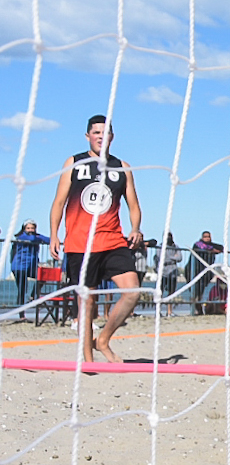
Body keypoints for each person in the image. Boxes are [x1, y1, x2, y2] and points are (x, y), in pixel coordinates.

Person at [49, 115, 143, 363]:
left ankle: (103, 340)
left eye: (105, 132)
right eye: (96, 132)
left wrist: (136, 228)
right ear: (88, 136)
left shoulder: (122, 167)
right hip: (81, 244)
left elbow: (134, 205)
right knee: (86, 302)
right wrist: (54, 235)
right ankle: (88, 359)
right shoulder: (75, 162)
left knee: (132, 291)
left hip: (112, 240)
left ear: (112, 136)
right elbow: (59, 202)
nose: (101, 136)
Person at [10, 219, 50, 319]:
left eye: (32, 228)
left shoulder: (36, 236)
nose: (30, 230)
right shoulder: (21, 237)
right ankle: (21, 315)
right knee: (22, 289)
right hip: (19, 266)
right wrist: (38, 237)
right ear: (24, 229)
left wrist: (40, 237)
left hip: (31, 266)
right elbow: (32, 239)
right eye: (28, 228)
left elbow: (49, 240)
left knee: (43, 276)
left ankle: (33, 296)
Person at [189, 231, 224, 315]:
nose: (207, 238)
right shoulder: (197, 244)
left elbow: (220, 248)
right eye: (205, 237)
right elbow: (203, 248)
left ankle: (199, 309)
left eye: (208, 237)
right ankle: (195, 309)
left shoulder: (211, 245)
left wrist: (213, 249)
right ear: (202, 237)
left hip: (206, 271)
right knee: (195, 291)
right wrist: (212, 250)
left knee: (201, 291)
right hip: (195, 270)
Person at [158, 232, 185, 317]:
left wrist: (171, 258)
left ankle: (169, 311)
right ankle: (158, 311)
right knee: (160, 292)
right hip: (163, 272)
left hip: (173, 272)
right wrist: (173, 257)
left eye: (170, 236)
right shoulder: (160, 246)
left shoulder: (175, 247)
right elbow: (160, 257)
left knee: (171, 292)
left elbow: (180, 258)